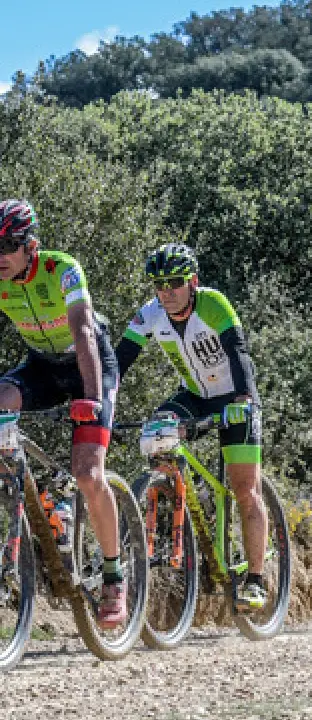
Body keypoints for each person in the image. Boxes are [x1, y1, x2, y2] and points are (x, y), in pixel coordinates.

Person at [115, 243, 269, 610]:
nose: (166, 291)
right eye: (159, 284)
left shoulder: (213, 304)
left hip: (234, 397)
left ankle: (255, 580)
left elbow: (239, 352)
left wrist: (244, 400)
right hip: (195, 395)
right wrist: (101, 400)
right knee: (156, 431)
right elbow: (119, 361)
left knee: (245, 489)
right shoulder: (151, 314)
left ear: (192, 282)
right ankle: (179, 492)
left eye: (174, 282)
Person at [0, 200, 125, 626]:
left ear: (31, 246)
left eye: (9, 245)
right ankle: (35, 489)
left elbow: (84, 330)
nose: (1, 255)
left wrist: (91, 398)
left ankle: (114, 577)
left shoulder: (62, 269)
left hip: (90, 364)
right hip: (43, 367)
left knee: (88, 474)